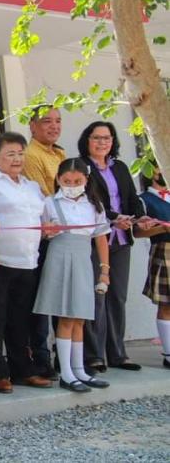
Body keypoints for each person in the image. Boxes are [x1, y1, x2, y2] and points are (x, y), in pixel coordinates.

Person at [0, 133, 52, 393]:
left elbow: (41, 217)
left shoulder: (31, 186)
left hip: (28, 260)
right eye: (10, 154)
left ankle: (22, 370)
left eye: (20, 153)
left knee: (21, 319)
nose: (17, 159)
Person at [33, 157, 111, 393]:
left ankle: (79, 369)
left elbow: (100, 238)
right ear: (58, 179)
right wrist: (47, 233)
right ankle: (66, 372)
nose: (72, 185)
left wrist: (104, 270)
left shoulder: (93, 205)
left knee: (80, 316)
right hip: (60, 259)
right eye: (67, 181)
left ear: (86, 180)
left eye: (77, 181)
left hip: (83, 261)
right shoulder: (49, 203)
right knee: (66, 317)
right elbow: (39, 233)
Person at [79, 121, 148, 372]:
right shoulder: (82, 167)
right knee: (97, 296)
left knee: (117, 297)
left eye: (107, 138)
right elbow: (89, 201)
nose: (102, 142)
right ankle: (94, 355)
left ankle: (118, 353)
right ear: (87, 140)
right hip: (96, 240)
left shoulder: (119, 167)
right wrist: (112, 218)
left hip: (121, 240)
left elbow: (131, 197)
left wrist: (138, 216)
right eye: (96, 138)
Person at [21, 105, 65, 379]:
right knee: (40, 301)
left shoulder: (59, 153)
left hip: (65, 237)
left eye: (58, 121)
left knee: (61, 300)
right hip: (43, 239)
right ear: (33, 126)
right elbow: (46, 198)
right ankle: (40, 358)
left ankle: (66, 356)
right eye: (47, 121)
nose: (54, 126)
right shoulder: (30, 155)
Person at [135, 167, 170, 369]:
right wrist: (164, 228)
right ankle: (168, 353)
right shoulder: (144, 199)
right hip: (164, 248)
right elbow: (138, 232)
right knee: (166, 304)